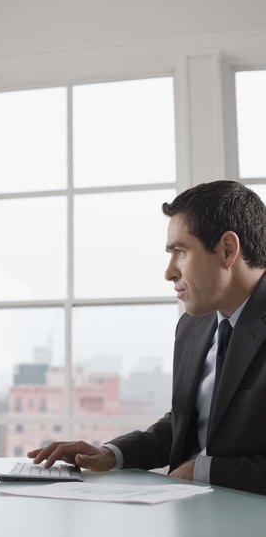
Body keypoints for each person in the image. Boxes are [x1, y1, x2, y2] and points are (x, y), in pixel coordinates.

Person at [28, 180, 266, 495]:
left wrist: (203, 469)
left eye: (180, 252)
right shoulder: (193, 327)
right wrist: (110, 454)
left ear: (227, 250)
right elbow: (183, 427)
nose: (169, 272)